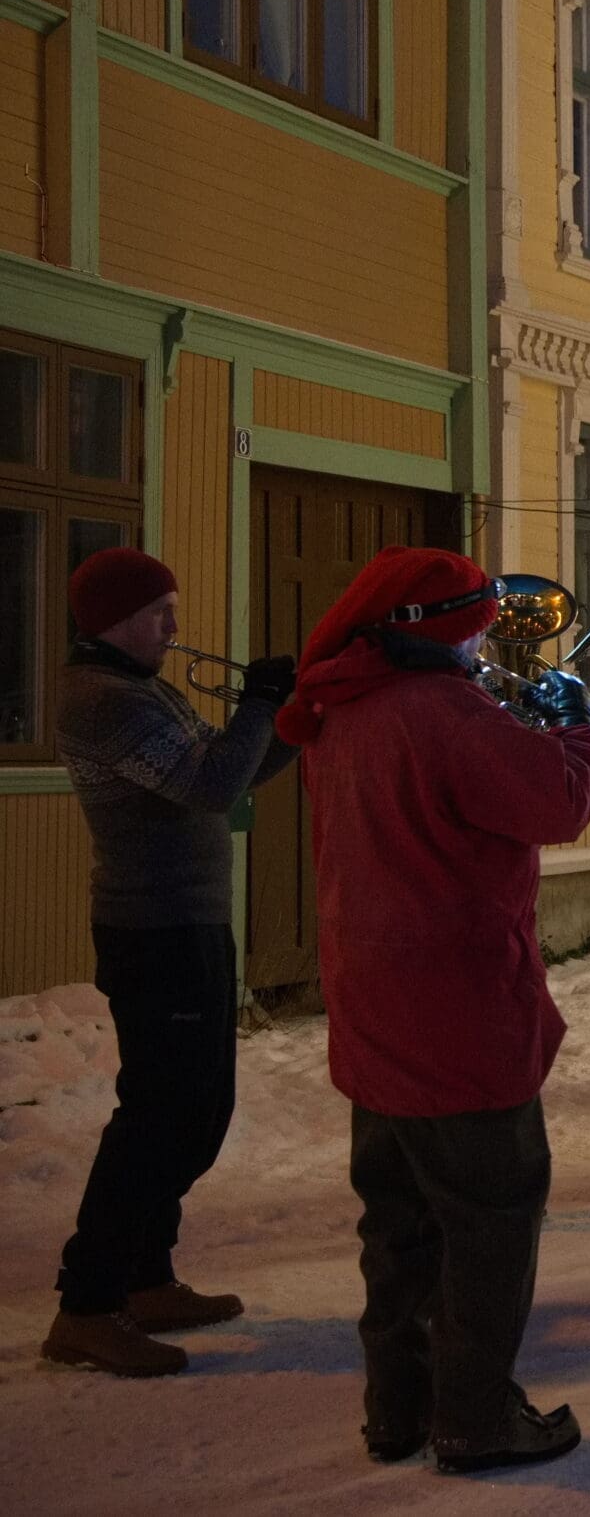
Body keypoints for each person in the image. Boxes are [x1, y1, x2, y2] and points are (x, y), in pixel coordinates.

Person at [285, 546, 590, 1470]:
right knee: (490, 1221)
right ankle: (474, 1415)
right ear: (449, 629)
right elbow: (554, 801)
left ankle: (399, 1405)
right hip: (458, 1010)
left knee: (397, 1226)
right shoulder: (444, 712)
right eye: (476, 627)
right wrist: (580, 732)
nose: (483, 645)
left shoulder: (344, 707)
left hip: (376, 1006)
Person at [41, 548, 298, 1379]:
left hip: (189, 922)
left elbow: (237, 766)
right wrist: (260, 702)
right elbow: (210, 784)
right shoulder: (103, 700)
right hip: (153, 931)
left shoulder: (143, 688)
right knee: (160, 1117)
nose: (176, 629)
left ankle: (147, 1277)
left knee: (199, 1110)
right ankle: (86, 1304)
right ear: (115, 620)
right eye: (161, 614)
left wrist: (292, 720)